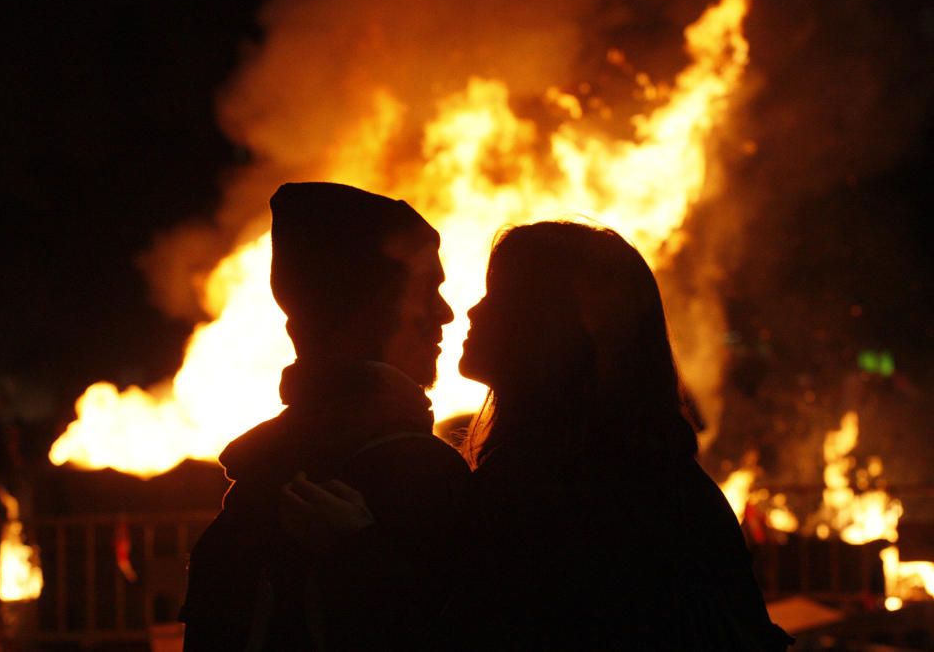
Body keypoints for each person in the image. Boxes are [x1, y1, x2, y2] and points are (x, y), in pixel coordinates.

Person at [293, 222, 792, 650]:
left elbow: (481, 632)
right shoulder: (647, 474)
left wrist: (357, 549)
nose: (468, 312)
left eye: (499, 296)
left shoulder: (569, 489)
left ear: (548, 327)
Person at [179, 182, 469, 650]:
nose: (446, 313)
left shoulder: (254, 487)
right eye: (426, 289)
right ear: (370, 306)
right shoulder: (420, 474)